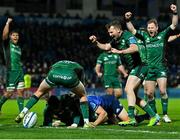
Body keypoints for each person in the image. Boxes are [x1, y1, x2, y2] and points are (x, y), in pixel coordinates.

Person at [89, 20, 159, 126]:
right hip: (134, 68)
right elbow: (107, 47)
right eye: (109, 33)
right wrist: (96, 42)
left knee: (127, 89)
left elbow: (135, 48)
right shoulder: (116, 39)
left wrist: (120, 51)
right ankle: (154, 116)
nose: (110, 34)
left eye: (111, 32)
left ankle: (131, 117)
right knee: (134, 97)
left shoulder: (127, 35)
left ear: (118, 30)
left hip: (141, 65)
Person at [124, 4, 178, 123]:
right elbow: (132, 30)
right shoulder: (144, 36)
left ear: (157, 28)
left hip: (160, 67)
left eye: (152, 27)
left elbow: (174, 25)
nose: (150, 29)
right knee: (149, 94)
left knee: (163, 91)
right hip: (149, 69)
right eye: (148, 27)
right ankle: (155, 117)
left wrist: (174, 13)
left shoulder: (162, 35)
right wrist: (127, 20)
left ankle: (165, 114)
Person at [15, 60, 94, 128]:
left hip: (53, 75)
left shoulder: (56, 64)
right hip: (69, 77)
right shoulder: (78, 66)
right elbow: (82, 79)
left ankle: (23, 112)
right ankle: (86, 123)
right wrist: (78, 91)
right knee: (83, 95)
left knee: (39, 92)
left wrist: (48, 91)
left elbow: (49, 73)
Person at [0, 18, 25, 113]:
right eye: (13, 35)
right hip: (11, 71)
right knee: (9, 93)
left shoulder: (19, 47)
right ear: (10, 37)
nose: (16, 37)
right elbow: (4, 35)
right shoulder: (7, 44)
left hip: (20, 71)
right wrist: (7, 23)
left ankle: (21, 113)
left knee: (21, 91)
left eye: (17, 35)